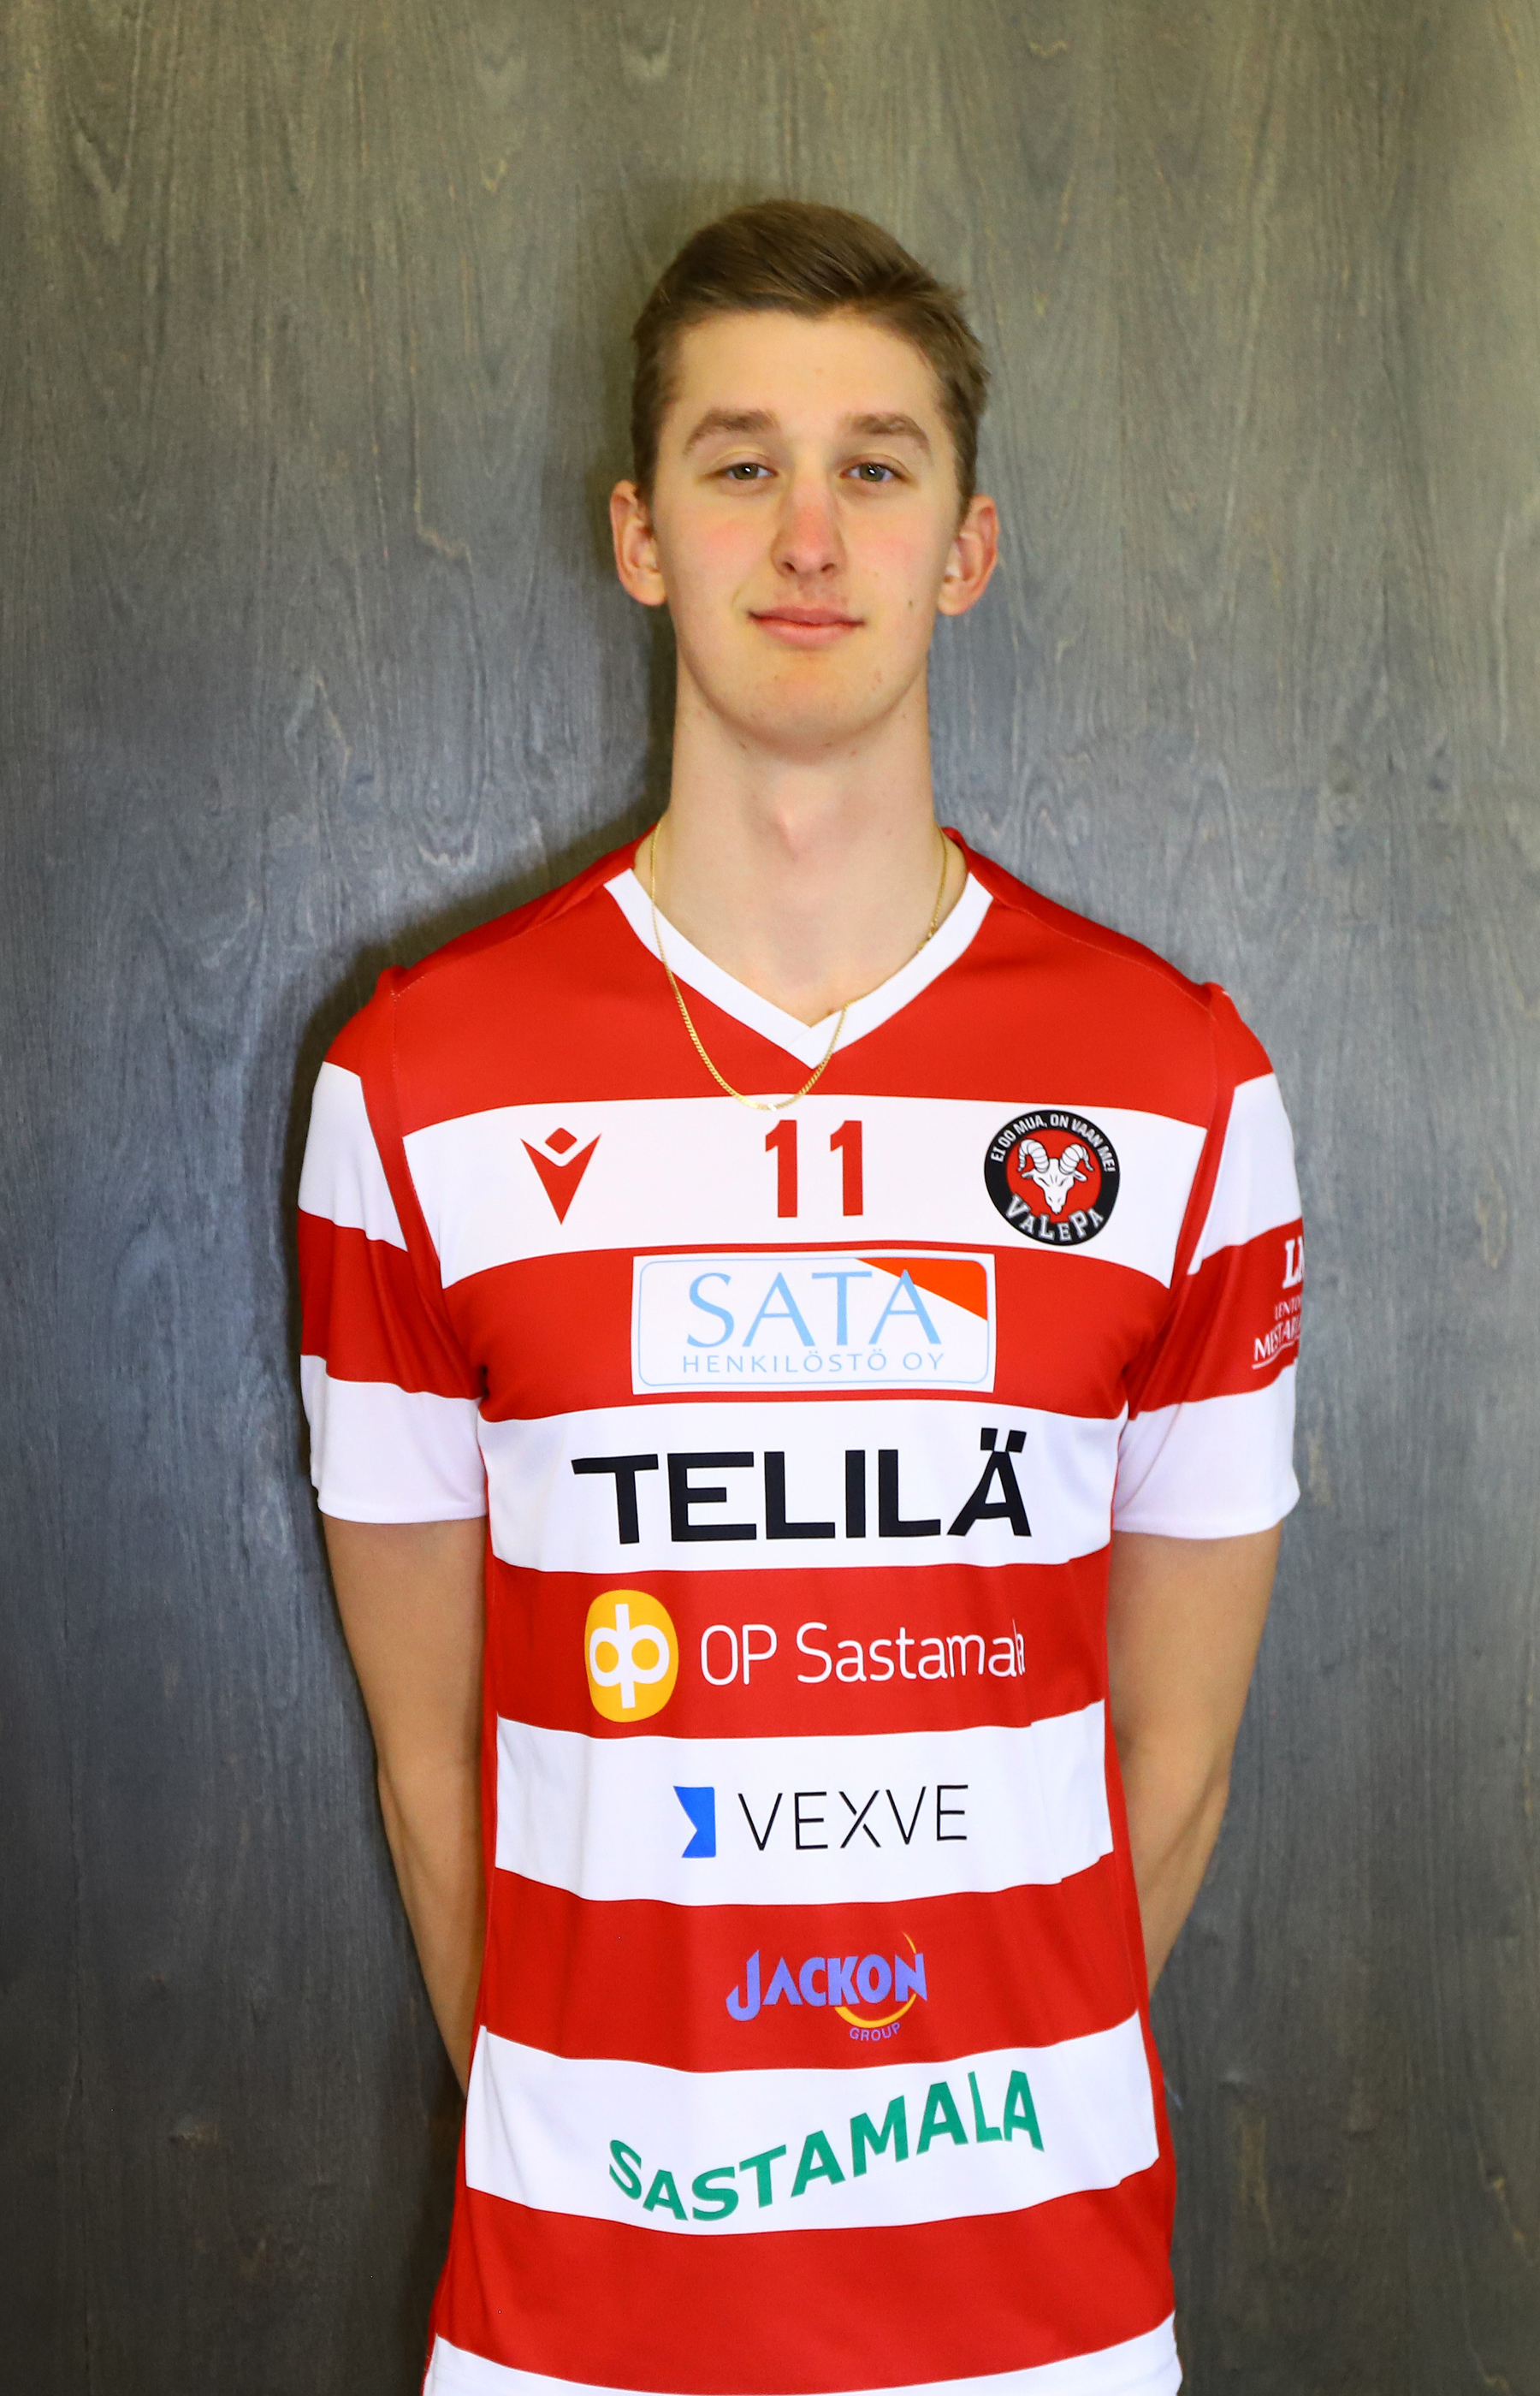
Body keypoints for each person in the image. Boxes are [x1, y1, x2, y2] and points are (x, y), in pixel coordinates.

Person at [298, 200, 1302, 2396]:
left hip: (1039, 2322)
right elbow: (430, 1761)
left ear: (969, 547)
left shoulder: (1179, 1089)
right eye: (741, 462)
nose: (810, 534)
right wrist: (616, 2147)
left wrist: (942, 2135)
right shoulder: (418, 1086)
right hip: (581, 2320)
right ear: (639, 534)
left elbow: (1180, 1757)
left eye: (876, 465)